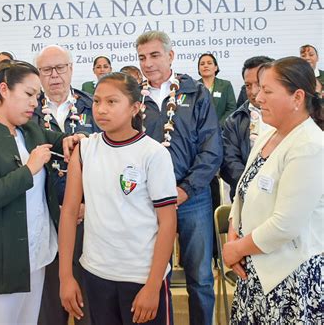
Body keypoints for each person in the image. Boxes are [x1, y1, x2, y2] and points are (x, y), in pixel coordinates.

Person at [0, 61, 83, 325]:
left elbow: (58, 140)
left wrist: (70, 140)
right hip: (0, 262)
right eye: (28, 94)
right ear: (3, 89)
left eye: (37, 96)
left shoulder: (29, 130)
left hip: (36, 257)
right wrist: (29, 169)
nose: (35, 102)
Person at [59, 72, 178, 325]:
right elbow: (69, 213)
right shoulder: (85, 149)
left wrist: (153, 285)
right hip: (96, 273)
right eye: (97, 101)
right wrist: (66, 276)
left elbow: (167, 222)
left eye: (112, 102)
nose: (101, 109)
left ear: (135, 107)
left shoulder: (153, 154)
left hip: (141, 277)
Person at [224, 56, 323, 324]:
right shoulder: (270, 134)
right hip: (254, 272)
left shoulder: (310, 145)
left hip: (288, 278)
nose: (258, 97)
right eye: (257, 89)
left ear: (297, 97)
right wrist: (233, 233)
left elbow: (285, 224)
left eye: (267, 91)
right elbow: (244, 191)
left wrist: (236, 250)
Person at [136, 31, 222, 325]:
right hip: (148, 202)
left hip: (192, 199)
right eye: (142, 57)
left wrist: (185, 189)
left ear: (170, 56)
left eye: (155, 55)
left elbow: (212, 149)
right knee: (155, 275)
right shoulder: (134, 96)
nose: (148, 63)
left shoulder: (196, 93)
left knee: (200, 278)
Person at [34, 44, 98, 325]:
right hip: (45, 219)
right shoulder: (27, 110)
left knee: (88, 308)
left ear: (71, 69)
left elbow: (104, 162)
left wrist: (86, 203)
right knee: (49, 310)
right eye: (47, 70)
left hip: (87, 219)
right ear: (38, 75)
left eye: (60, 68)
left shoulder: (94, 106)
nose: (55, 75)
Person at [221, 56, 273, 201]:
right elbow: (229, 162)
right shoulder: (234, 121)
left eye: (259, 84)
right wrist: (253, 187)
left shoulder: (289, 117)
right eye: (248, 85)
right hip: (246, 197)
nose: (253, 91)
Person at [197, 53, 236, 126]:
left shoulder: (226, 85)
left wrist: (218, 126)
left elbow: (231, 109)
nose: (205, 66)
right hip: (198, 132)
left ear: (216, 67)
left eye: (209, 63)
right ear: (199, 69)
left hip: (221, 131)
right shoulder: (194, 87)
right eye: (202, 64)